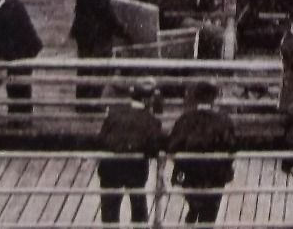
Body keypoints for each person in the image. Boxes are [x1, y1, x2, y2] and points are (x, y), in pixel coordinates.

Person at [167, 81, 237, 227]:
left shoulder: (185, 119)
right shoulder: (224, 120)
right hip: (215, 172)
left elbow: (173, 146)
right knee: (211, 210)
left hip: (191, 170)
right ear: (214, 98)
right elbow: (232, 147)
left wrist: (182, 163)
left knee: (194, 198)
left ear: (196, 97)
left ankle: (194, 209)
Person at [97, 81, 163, 226]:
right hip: (136, 169)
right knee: (138, 203)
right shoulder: (152, 121)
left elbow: (101, 139)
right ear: (148, 100)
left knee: (110, 207)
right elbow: (154, 148)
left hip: (111, 167)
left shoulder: (114, 115)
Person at [72, 0, 131, 110]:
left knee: (84, 69)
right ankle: (93, 104)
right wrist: (124, 32)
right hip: (98, 39)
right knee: (99, 69)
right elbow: (109, 17)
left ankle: (81, 103)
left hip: (83, 36)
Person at [0, 0, 42, 121]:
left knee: (16, 87)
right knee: (22, 87)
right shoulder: (14, 4)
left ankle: (18, 118)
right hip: (28, 50)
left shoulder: (1, 14)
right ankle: (23, 116)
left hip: (17, 54)